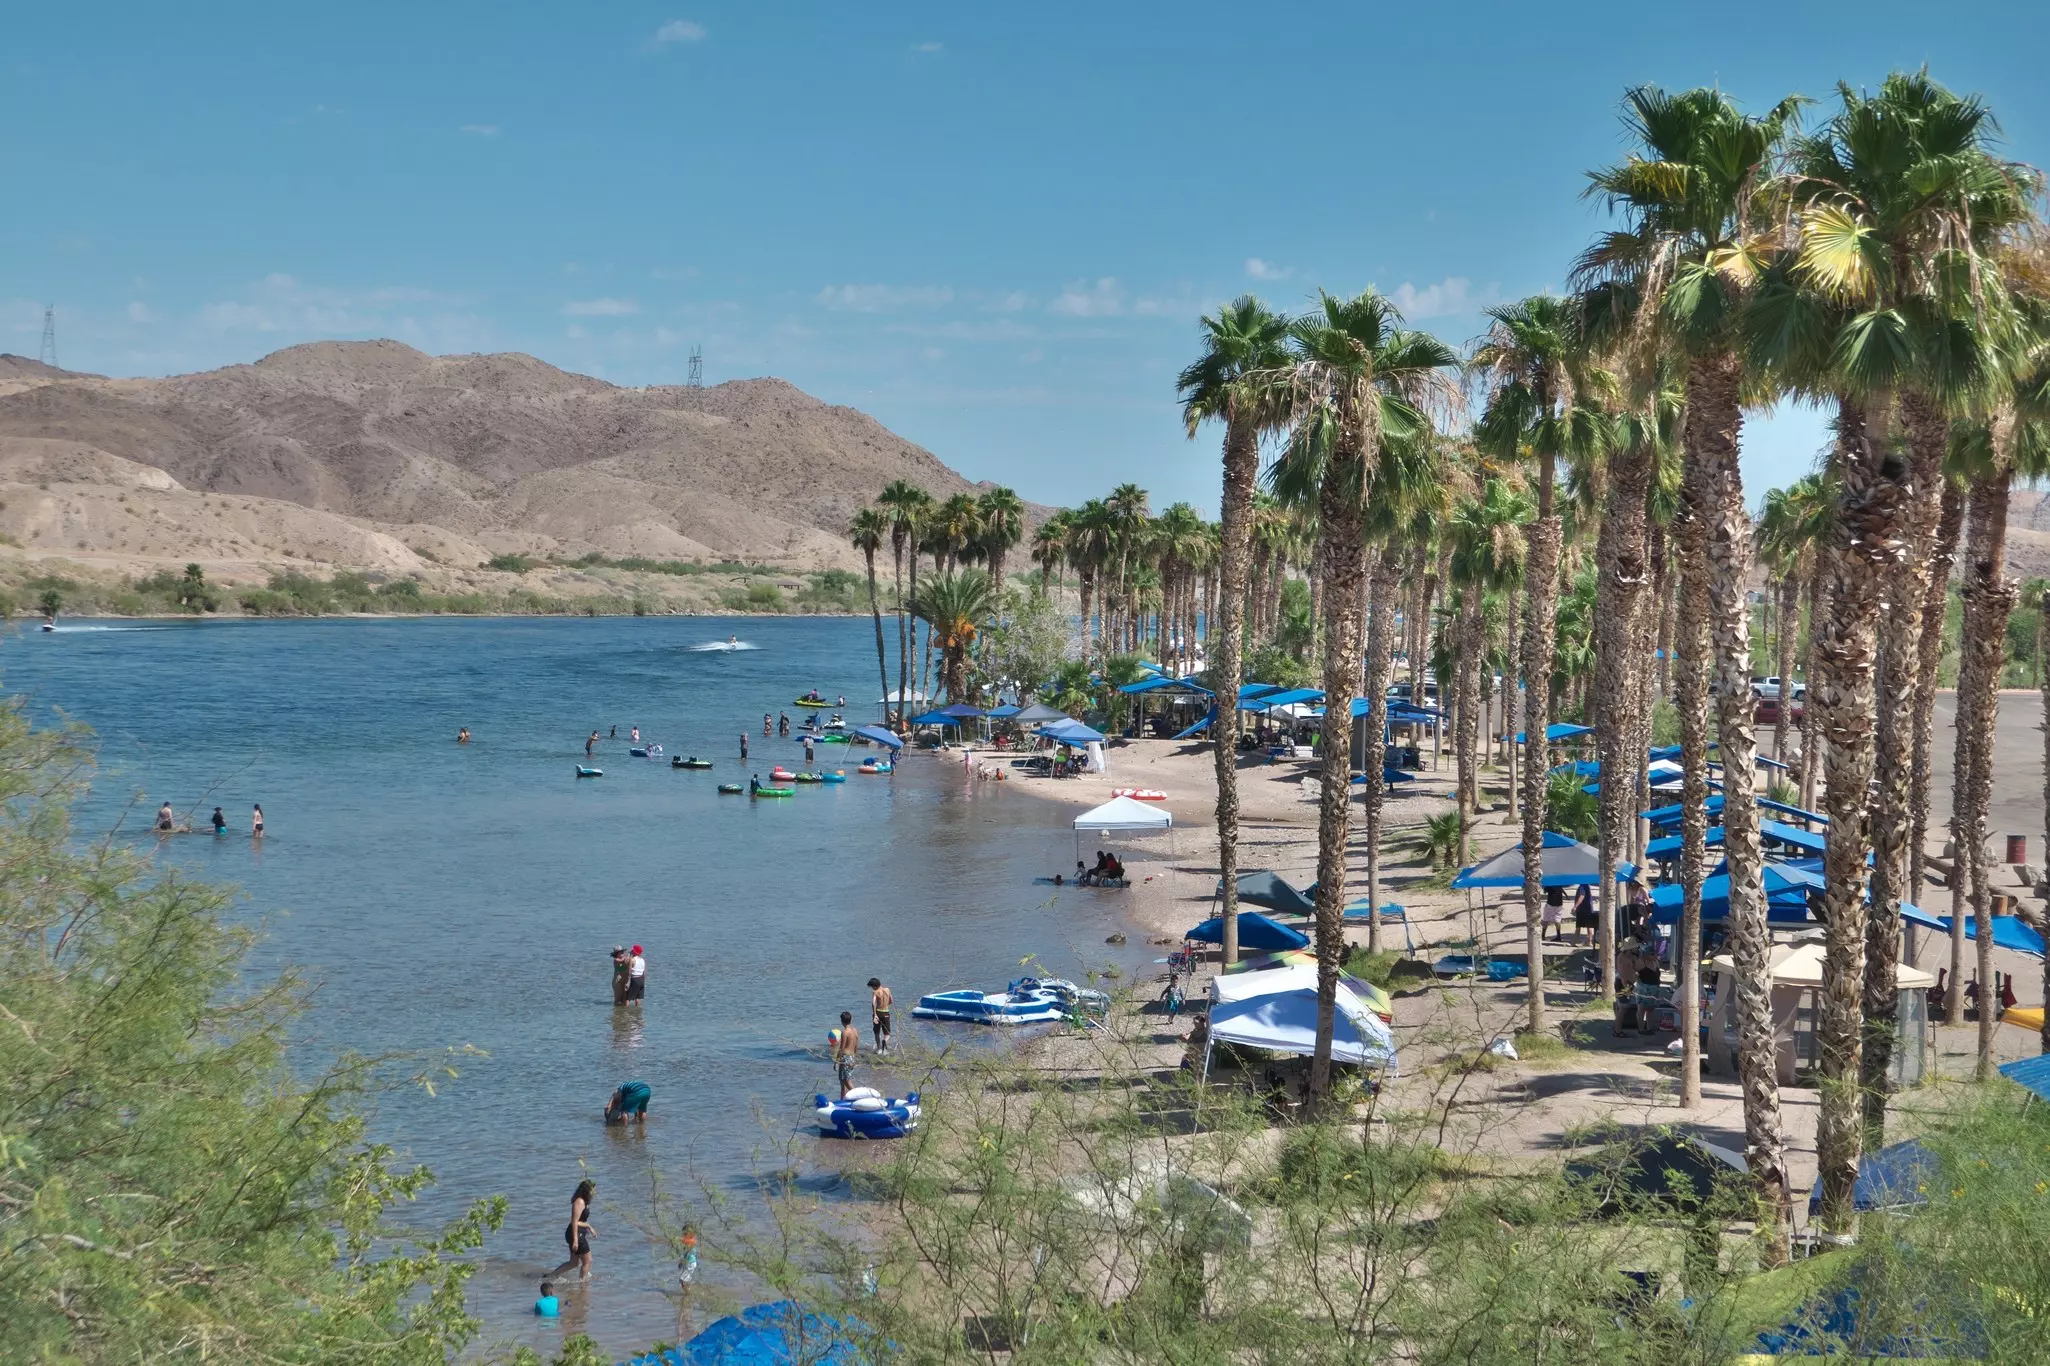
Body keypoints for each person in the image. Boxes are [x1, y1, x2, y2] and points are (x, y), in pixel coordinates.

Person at [549, 1179, 597, 1281]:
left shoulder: (584, 1201)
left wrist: (588, 1226)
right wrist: (575, 1240)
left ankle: (551, 1276)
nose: (594, 1192)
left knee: (574, 1263)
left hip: (576, 1233)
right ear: (587, 1190)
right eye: (592, 1189)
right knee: (587, 1261)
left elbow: (579, 1221)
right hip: (575, 1234)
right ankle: (582, 1284)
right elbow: (574, 1221)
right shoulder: (579, 1201)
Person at [831, 1010, 858, 1096]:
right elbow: (856, 1046)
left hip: (845, 1058)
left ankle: (859, 1096)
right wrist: (855, 1058)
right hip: (852, 1057)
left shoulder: (845, 1032)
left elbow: (842, 1049)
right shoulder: (855, 1031)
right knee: (843, 1082)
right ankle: (843, 1101)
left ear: (842, 1021)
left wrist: (836, 1061)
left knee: (846, 1081)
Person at [869, 977, 893, 1054]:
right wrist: (885, 1004)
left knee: (876, 1032)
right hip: (886, 1013)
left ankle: (879, 1048)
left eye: (872, 986)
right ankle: (885, 1041)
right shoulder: (887, 990)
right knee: (887, 1033)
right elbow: (891, 1001)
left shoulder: (875, 992)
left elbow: (873, 1003)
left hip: (878, 1013)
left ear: (875, 986)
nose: (872, 988)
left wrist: (875, 1015)